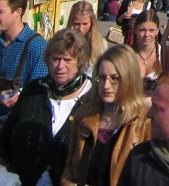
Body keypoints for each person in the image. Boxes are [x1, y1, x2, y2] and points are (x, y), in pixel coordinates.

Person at [0, 29, 96, 186]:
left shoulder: (94, 97)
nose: (60, 66)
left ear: (80, 62)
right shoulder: (33, 91)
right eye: (55, 59)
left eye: (67, 60)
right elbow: (5, 143)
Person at [62, 45, 151, 186]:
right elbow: (71, 168)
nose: (106, 86)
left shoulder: (144, 122)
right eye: (102, 78)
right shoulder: (84, 116)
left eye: (114, 78)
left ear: (129, 79)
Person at [0, 0, 50, 128]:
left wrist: (19, 98)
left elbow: (37, 94)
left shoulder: (37, 46)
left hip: (21, 126)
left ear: (17, 12)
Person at [129, 10, 169, 100]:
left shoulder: (168, 56)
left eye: (151, 30)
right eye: (142, 30)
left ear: (157, 31)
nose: (147, 34)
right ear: (135, 30)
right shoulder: (126, 54)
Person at [70, 1, 108, 76]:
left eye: (85, 24)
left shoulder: (101, 44)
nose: (81, 28)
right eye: (77, 24)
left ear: (92, 23)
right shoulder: (63, 42)